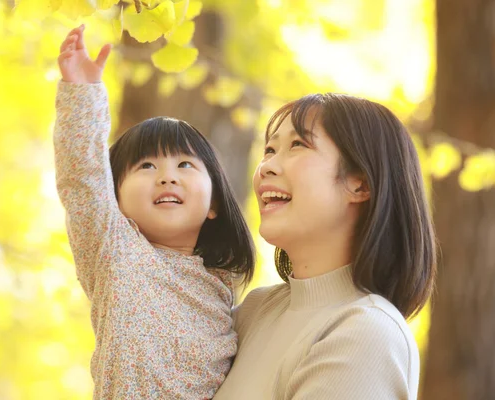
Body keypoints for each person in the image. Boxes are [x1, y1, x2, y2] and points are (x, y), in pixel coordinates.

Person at [53, 25, 255, 399]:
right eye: (146, 167)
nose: (166, 177)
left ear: (213, 204)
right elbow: (81, 178)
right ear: (113, 198)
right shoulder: (112, 250)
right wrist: (83, 94)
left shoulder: (222, 288)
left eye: (185, 166)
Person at [214, 93, 437, 399]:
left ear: (360, 183)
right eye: (269, 149)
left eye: (297, 145)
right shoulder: (255, 311)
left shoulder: (366, 332)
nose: (266, 167)